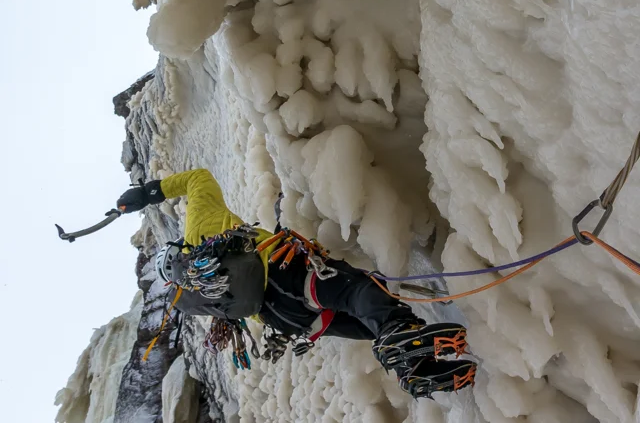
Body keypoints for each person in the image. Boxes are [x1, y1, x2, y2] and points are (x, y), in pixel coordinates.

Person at [117, 169, 477, 398]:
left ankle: (414, 370)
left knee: (370, 320)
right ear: (180, 249)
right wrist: (150, 193)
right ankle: (401, 336)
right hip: (281, 271)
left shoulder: (200, 292)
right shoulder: (198, 228)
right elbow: (199, 179)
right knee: (359, 291)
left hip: (285, 320)